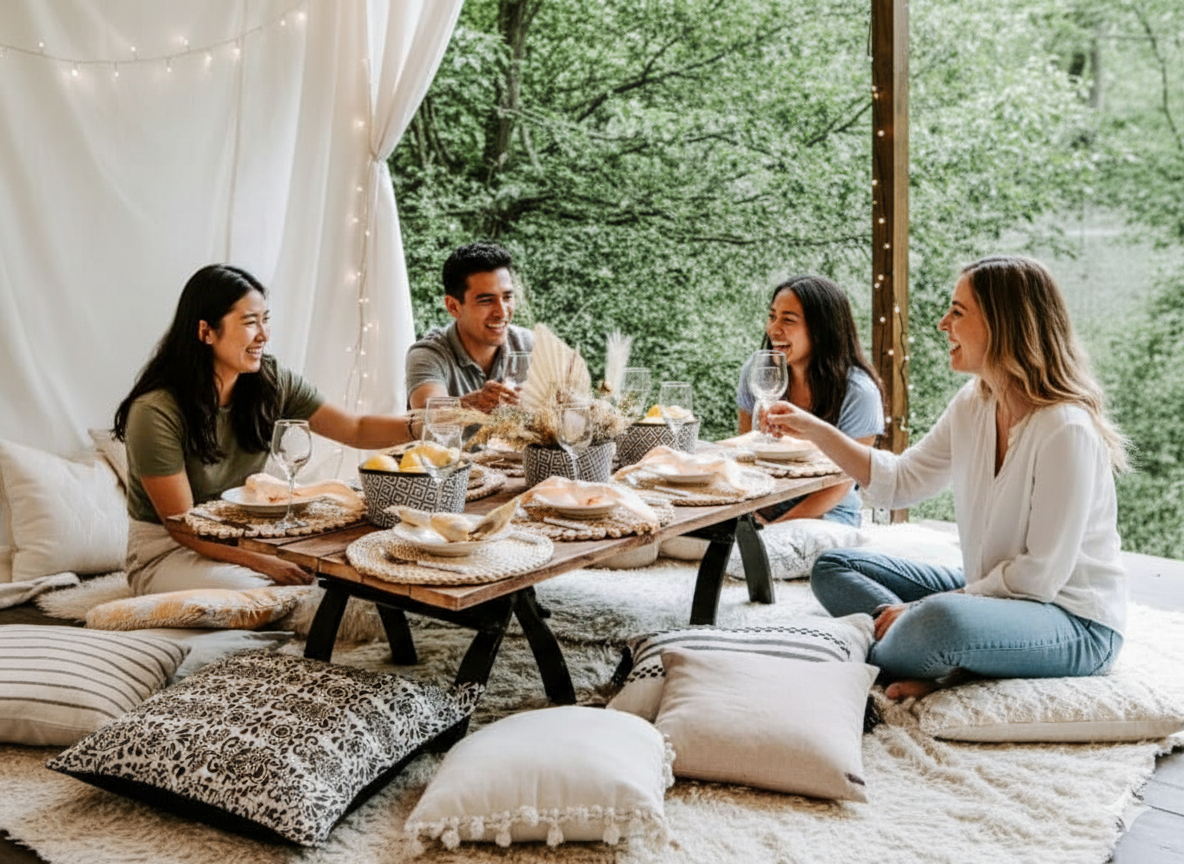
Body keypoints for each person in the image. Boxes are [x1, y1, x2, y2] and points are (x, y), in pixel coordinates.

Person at [764, 255, 1128, 700]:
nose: (942, 324)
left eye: (958, 312)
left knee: (944, 622)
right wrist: (813, 428)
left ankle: (911, 649)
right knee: (835, 567)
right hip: (993, 592)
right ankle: (923, 654)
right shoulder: (973, 403)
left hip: (1071, 620)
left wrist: (922, 608)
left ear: (1004, 324)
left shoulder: (1064, 429)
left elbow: (1037, 578)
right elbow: (900, 481)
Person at [114, 264, 420, 595]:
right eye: (249, 322)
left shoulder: (270, 383)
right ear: (206, 332)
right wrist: (265, 562)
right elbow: (184, 527)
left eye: (265, 319)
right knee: (266, 593)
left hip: (243, 536)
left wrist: (428, 424)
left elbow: (355, 429)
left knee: (346, 575)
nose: (264, 334)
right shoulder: (155, 412)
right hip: (169, 551)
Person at [736, 275, 884, 526]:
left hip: (827, 514)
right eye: (772, 317)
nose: (773, 329)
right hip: (762, 504)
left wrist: (773, 528)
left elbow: (842, 483)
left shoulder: (859, 392)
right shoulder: (759, 371)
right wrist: (749, 517)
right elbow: (746, 452)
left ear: (821, 330)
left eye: (788, 320)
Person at [405, 241, 534, 412]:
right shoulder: (429, 354)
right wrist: (472, 403)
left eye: (507, 297)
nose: (502, 313)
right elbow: (425, 413)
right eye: (486, 300)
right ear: (453, 306)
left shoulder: (531, 344)